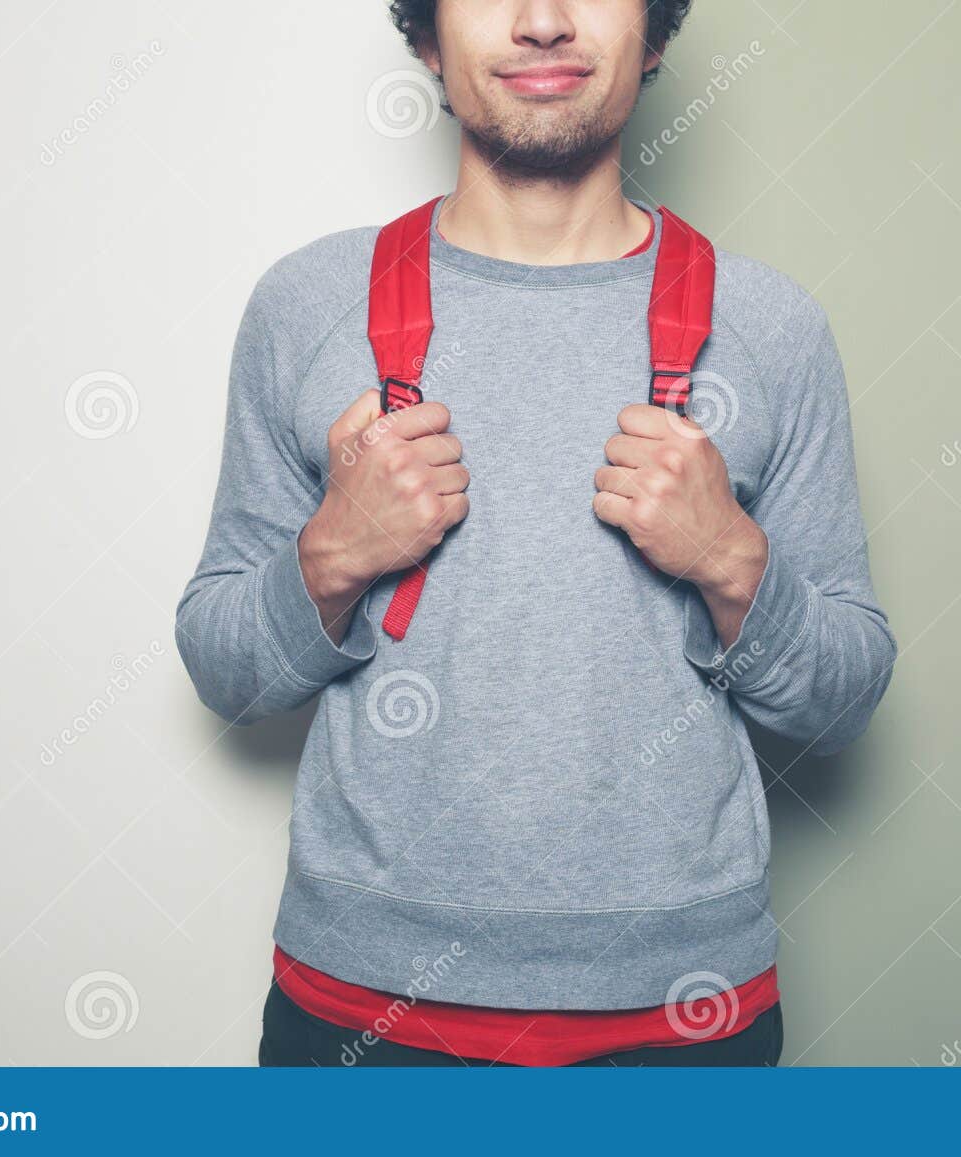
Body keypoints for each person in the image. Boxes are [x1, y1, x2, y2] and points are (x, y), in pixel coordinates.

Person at [175, 0, 896, 1067]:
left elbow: (842, 702)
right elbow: (224, 670)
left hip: (683, 1017)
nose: (544, 21)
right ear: (426, 35)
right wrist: (335, 550)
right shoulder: (306, 304)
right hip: (358, 1012)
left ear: (653, 35)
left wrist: (730, 560)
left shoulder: (772, 328)